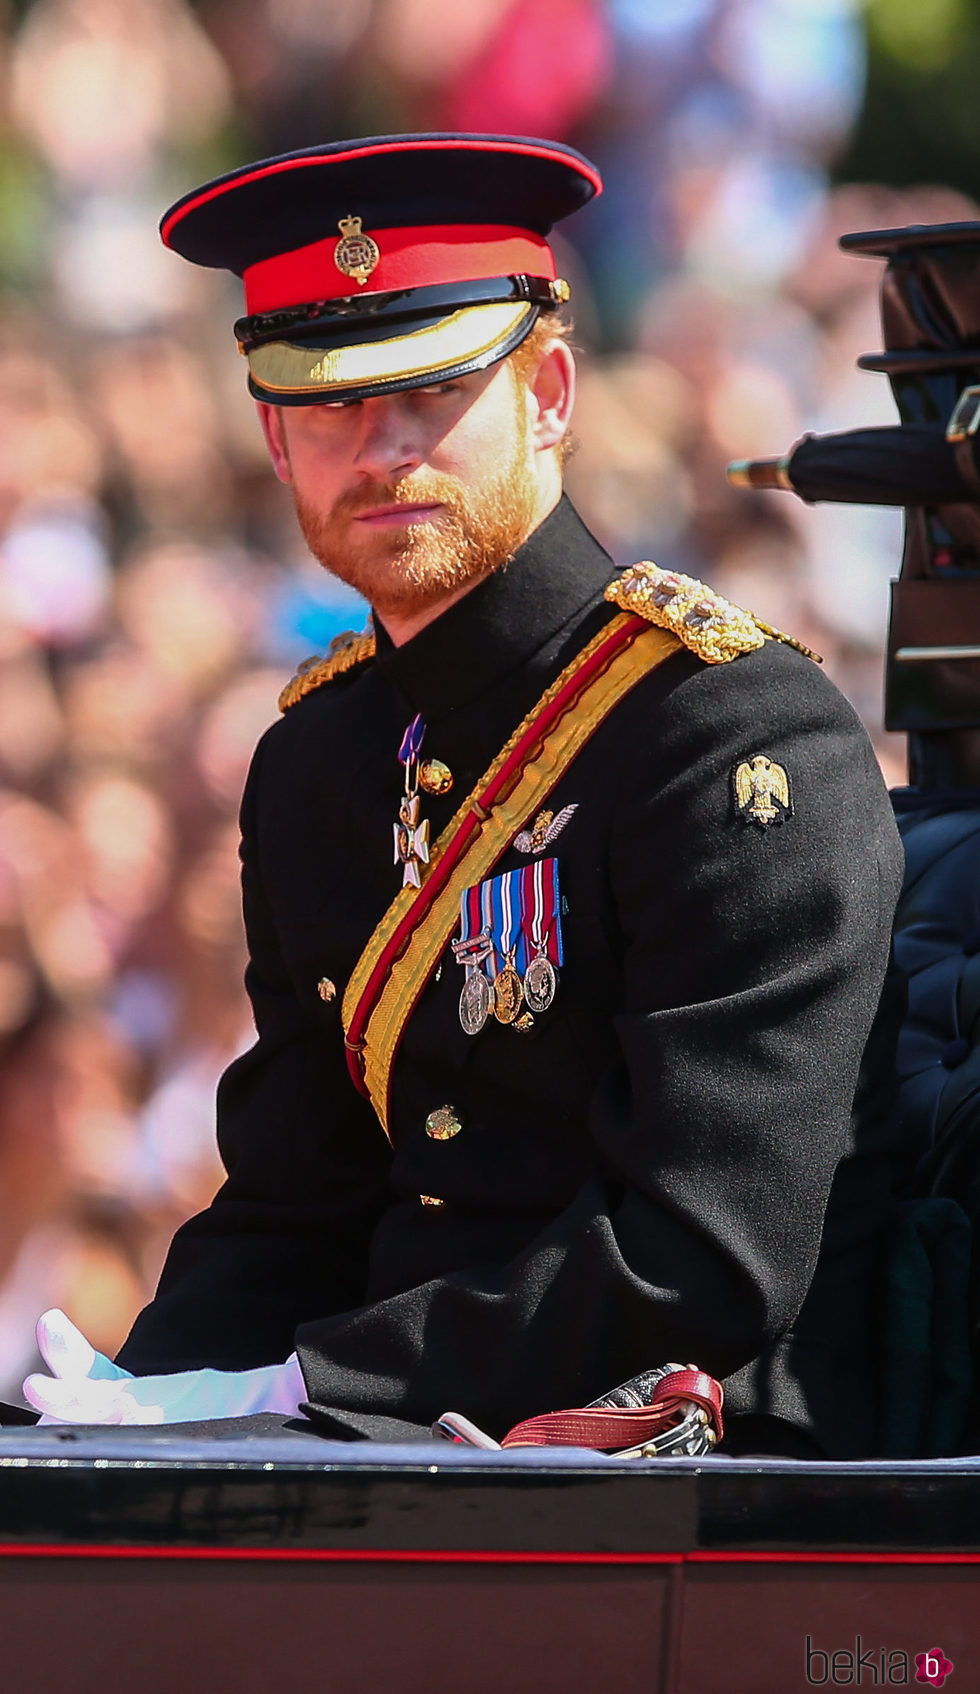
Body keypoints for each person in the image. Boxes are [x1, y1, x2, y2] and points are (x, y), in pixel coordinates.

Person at [22, 134, 905, 1458]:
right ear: (271, 432)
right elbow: (290, 1204)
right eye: (326, 403)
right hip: (387, 1467)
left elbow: (708, 1255)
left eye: (430, 392)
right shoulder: (315, 760)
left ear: (548, 391)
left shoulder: (724, 730)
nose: (379, 451)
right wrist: (122, 1416)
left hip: (666, 1486)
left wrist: (295, 1387)